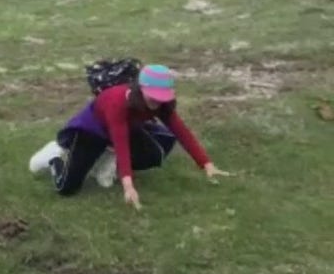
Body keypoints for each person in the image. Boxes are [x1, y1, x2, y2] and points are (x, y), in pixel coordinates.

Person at [29, 64, 234, 209]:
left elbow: (181, 131)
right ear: (141, 88)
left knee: (155, 154)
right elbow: (121, 142)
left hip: (122, 132)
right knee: (67, 188)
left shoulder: (162, 105)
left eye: (162, 97)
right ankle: (54, 157)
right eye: (153, 96)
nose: (157, 102)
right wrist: (129, 186)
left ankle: (105, 159)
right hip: (90, 132)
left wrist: (206, 164)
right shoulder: (117, 102)